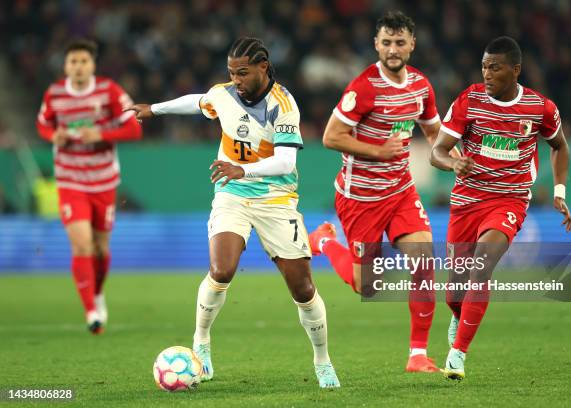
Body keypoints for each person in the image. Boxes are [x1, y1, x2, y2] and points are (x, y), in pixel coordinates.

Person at [127, 37, 340, 388]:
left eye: (242, 73)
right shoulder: (224, 94)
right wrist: (154, 109)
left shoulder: (284, 105)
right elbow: (197, 102)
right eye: (231, 72)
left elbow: (286, 161)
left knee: (302, 288)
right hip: (232, 194)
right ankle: (202, 341)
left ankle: (322, 360)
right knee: (221, 269)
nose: (236, 79)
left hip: (275, 198)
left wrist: (245, 169)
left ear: (263, 68)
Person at [308, 11, 457, 373]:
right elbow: (331, 137)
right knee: (367, 287)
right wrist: (378, 151)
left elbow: (435, 136)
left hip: (401, 191)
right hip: (361, 198)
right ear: (376, 44)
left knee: (423, 260)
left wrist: (455, 161)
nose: (393, 49)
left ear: (412, 44)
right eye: (387, 42)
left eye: (400, 42)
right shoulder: (363, 87)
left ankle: (417, 355)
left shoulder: (421, 86)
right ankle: (324, 241)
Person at [430, 36, 571, 380]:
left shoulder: (541, 108)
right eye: (484, 67)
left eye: (495, 67)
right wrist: (453, 164)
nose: (487, 73)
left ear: (516, 70)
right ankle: (457, 314)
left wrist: (558, 190)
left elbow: (560, 146)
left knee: (481, 268)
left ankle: (457, 355)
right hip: (467, 200)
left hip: (509, 200)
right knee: (455, 289)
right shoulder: (469, 100)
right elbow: (437, 152)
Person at [36, 39, 142, 334]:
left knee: (100, 247)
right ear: (65, 66)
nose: (78, 67)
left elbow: (134, 127)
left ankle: (97, 292)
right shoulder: (55, 93)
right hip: (70, 180)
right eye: (73, 62)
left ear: (92, 65)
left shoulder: (109, 91)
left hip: (104, 181)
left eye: (84, 61)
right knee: (81, 243)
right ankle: (92, 311)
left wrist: (100, 133)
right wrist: (52, 136)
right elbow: (43, 124)